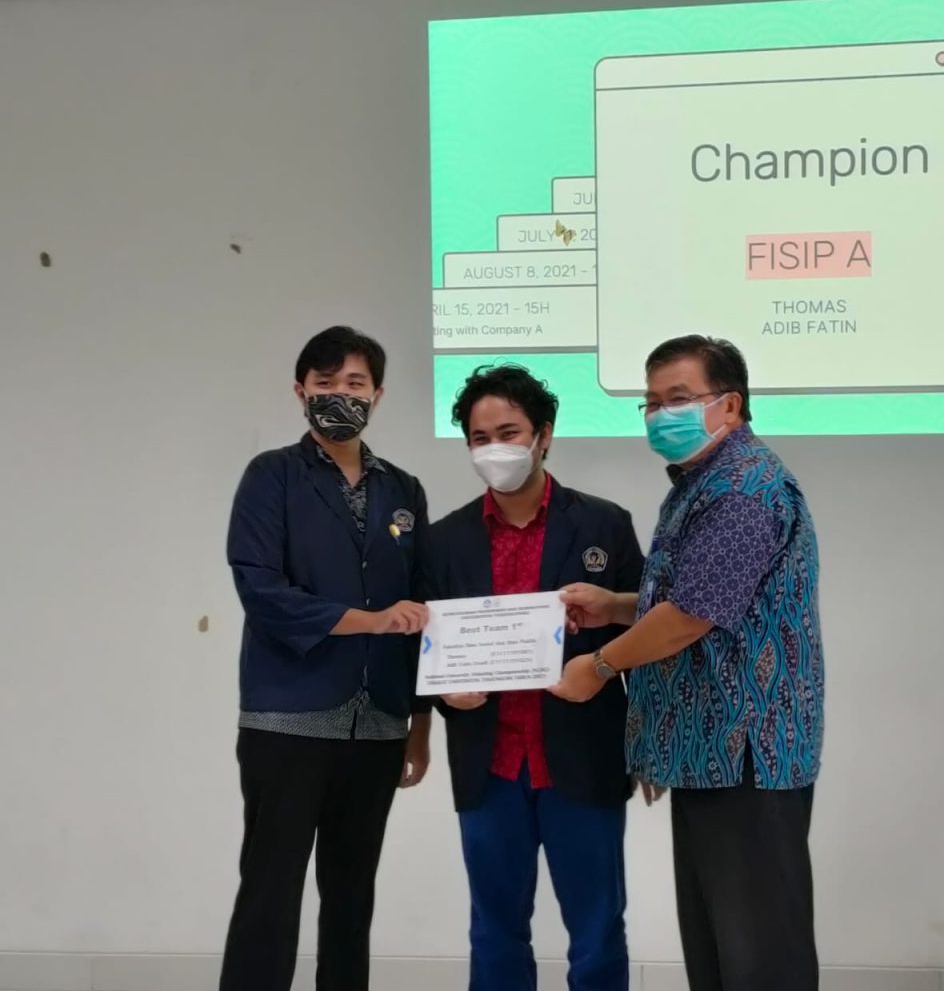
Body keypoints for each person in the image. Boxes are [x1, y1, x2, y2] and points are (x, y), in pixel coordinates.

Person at [551, 335, 824, 991]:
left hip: (746, 755)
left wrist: (599, 666)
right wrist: (615, 606)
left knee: (758, 959)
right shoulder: (702, 482)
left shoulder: (744, 489)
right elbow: (691, 597)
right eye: (650, 403)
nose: (659, 415)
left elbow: (690, 616)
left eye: (677, 399)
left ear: (730, 405)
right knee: (718, 950)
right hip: (709, 751)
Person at [219, 325, 432, 991]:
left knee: (352, 895)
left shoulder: (403, 489)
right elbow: (261, 589)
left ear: (378, 394)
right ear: (301, 391)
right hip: (289, 717)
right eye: (326, 382)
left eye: (355, 382)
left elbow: (421, 609)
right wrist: (369, 620)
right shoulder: (272, 476)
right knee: (270, 890)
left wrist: (419, 724)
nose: (341, 393)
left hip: (379, 724)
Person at [429, 364, 646, 991]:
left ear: (543, 435)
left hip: (583, 756)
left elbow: (646, 627)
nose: (494, 449)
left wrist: (647, 736)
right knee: (494, 929)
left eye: (509, 433)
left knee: (598, 928)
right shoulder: (444, 541)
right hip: (490, 762)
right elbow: (427, 644)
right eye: (480, 438)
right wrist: (444, 692)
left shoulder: (604, 524)